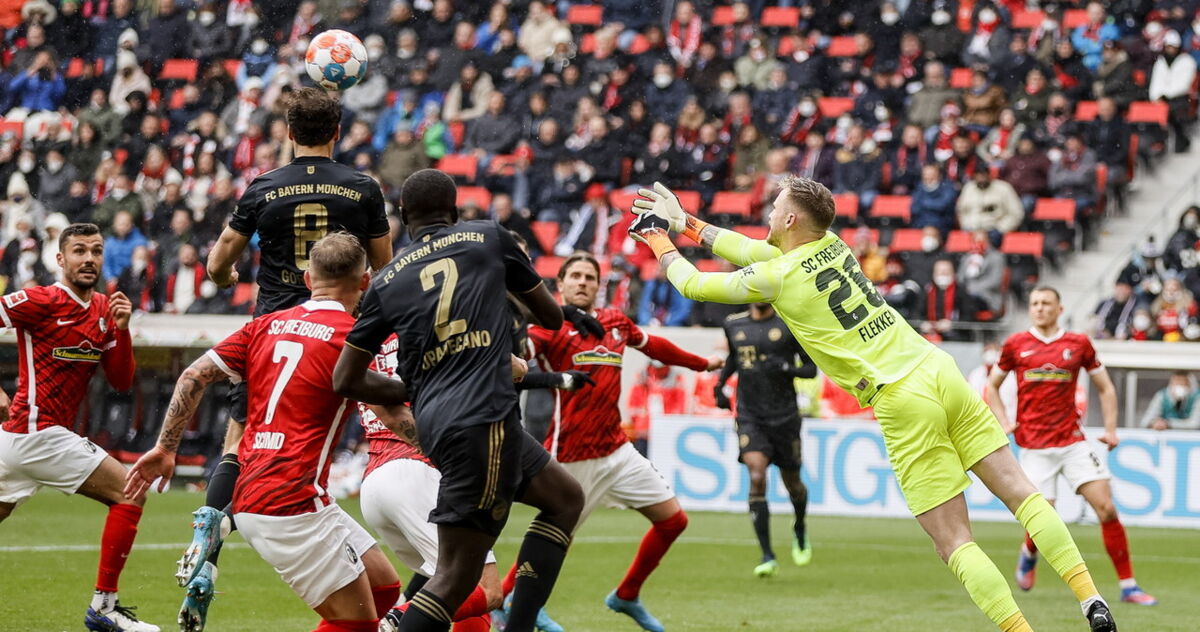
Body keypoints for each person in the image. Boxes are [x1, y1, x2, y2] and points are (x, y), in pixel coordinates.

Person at [628, 177, 1118, 632]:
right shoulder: (833, 247)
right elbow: (750, 247)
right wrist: (687, 223)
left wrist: (657, 238)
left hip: (902, 399)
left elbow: (693, 284)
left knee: (954, 541)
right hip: (937, 368)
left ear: (792, 220)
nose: (770, 215)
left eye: (776, 209)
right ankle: (1091, 598)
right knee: (1022, 493)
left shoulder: (776, 277)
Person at [176, 86, 394, 630]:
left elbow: (218, 261)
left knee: (241, 436)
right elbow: (385, 267)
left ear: (288, 133)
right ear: (338, 132)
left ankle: (210, 539)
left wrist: (227, 277)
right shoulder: (362, 187)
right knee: (317, 434)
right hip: (338, 330)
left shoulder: (264, 186)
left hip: (272, 330)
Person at [332, 169, 584, 632]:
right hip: (482, 416)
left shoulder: (388, 279)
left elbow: (345, 378)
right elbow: (549, 316)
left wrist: (418, 387)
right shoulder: (489, 237)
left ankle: (519, 627)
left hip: (438, 427)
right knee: (457, 579)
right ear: (455, 209)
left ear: (404, 216)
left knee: (566, 498)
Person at [125, 233, 402, 632]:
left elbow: (192, 377)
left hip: (265, 491)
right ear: (364, 282)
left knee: (385, 589)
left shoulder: (265, 325)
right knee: (357, 623)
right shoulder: (353, 339)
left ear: (308, 279)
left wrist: (165, 449)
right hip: (290, 502)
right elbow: (391, 414)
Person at [514, 252, 723, 632]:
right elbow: (516, 355)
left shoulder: (614, 322)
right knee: (554, 541)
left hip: (617, 448)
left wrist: (701, 363)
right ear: (559, 285)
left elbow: (655, 346)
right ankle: (516, 599)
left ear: (599, 285)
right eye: (574, 276)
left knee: (673, 520)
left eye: (589, 277)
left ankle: (626, 594)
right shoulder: (547, 328)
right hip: (572, 457)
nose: (582, 282)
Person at [0, 223, 154, 632]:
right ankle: (104, 608)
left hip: (24, 440)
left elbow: (121, 381)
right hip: (38, 432)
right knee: (130, 493)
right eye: (80, 251)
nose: (89, 259)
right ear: (60, 259)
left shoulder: (105, 308)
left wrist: (122, 330)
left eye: (97, 251)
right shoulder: (41, 299)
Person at [988, 287, 1157, 607]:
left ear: (1059, 308)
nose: (1039, 308)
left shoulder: (1078, 344)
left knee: (1106, 508)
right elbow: (992, 386)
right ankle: (1028, 553)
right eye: (1034, 303)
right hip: (1034, 446)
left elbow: (1105, 388)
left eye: (1045, 303)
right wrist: (1003, 421)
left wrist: (1110, 430)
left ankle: (1129, 586)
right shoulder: (1016, 344)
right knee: (1044, 519)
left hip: (1072, 441)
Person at [359, 335, 502, 632]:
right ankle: (398, 619)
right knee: (486, 589)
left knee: (452, 587)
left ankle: (402, 616)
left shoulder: (360, 340)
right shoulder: (424, 321)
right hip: (417, 474)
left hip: (374, 481)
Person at [715, 302, 817, 577]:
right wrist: (720, 385)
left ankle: (799, 526)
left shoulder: (789, 324)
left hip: (785, 416)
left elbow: (810, 369)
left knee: (793, 485)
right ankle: (767, 554)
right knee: (757, 477)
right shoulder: (734, 324)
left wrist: (786, 368)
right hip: (751, 415)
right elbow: (735, 358)